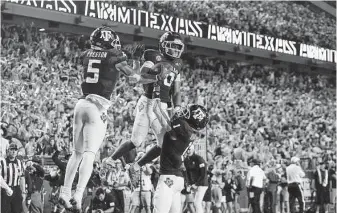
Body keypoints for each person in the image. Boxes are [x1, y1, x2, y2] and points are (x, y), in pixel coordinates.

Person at [58, 26, 161, 211]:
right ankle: (78, 194)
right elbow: (135, 78)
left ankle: (64, 193)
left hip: (81, 104)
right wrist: (155, 78)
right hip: (97, 108)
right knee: (90, 154)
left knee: (77, 153)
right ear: (107, 42)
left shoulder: (86, 54)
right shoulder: (114, 56)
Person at [110, 31, 184, 173]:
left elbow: (176, 90)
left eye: (177, 47)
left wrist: (178, 107)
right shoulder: (153, 56)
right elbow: (140, 79)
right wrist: (156, 76)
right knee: (136, 141)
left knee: (164, 144)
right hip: (148, 101)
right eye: (172, 46)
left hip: (162, 105)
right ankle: (110, 161)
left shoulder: (178, 63)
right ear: (163, 45)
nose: (175, 50)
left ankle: (136, 167)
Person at [131, 104, 209, 213]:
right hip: (178, 179)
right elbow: (159, 147)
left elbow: (165, 124)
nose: (183, 113)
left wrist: (156, 108)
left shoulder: (182, 126)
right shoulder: (187, 130)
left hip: (168, 178)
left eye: (187, 112)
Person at [0, 143, 26, 213]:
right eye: (12, 150)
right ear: (8, 151)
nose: (14, 152)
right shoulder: (2, 162)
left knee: (17, 210)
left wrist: (23, 192)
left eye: (15, 150)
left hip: (16, 190)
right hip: (5, 190)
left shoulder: (20, 162)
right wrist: (6, 189)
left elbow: (22, 178)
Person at [184, 144, 208, 213]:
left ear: (193, 149)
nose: (188, 151)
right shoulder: (186, 160)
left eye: (189, 149)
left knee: (197, 203)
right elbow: (187, 173)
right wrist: (188, 183)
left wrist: (197, 184)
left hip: (202, 184)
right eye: (187, 150)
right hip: (193, 184)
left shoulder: (199, 159)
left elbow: (203, 174)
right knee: (196, 203)